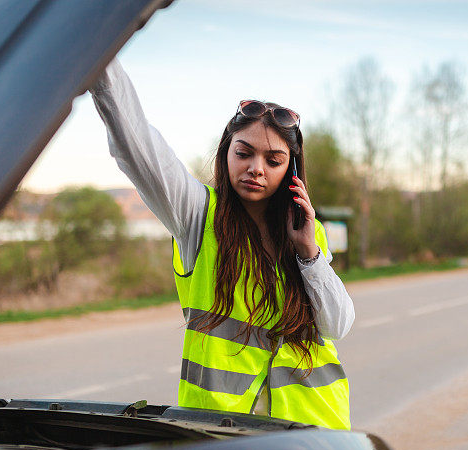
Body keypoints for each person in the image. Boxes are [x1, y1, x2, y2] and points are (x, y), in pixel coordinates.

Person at [90, 59, 355, 430]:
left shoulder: (308, 233)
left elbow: (337, 325)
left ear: (291, 171)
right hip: (222, 433)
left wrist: (309, 253)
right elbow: (137, 144)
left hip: (314, 430)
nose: (256, 168)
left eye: (274, 160)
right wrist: (99, 60)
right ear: (226, 151)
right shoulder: (197, 214)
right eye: (244, 153)